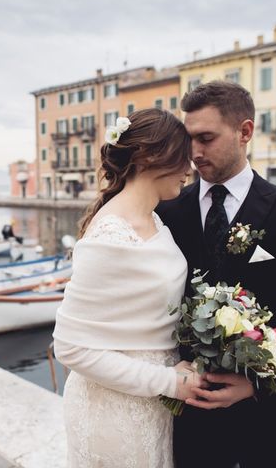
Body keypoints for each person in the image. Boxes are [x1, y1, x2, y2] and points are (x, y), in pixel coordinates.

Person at [156, 81, 276, 468]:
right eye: (189, 140)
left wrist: (255, 385)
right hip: (192, 423)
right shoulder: (167, 212)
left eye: (206, 138)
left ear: (245, 132)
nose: (194, 153)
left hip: (274, 424)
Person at [53, 108, 206, 467]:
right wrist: (167, 381)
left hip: (150, 404)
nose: (190, 168)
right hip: (114, 410)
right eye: (183, 156)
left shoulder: (153, 218)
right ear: (151, 157)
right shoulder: (110, 234)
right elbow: (70, 348)